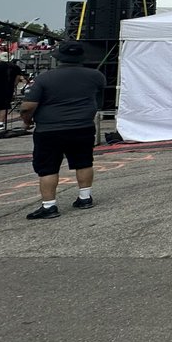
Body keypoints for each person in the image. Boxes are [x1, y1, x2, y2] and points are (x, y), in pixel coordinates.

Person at [19, 41, 106, 220]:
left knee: (48, 168)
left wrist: (26, 122)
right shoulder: (96, 76)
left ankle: (49, 206)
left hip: (50, 129)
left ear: (59, 58)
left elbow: (27, 106)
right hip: (82, 126)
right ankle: (85, 198)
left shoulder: (45, 78)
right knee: (84, 162)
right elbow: (99, 96)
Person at [0, 51, 25, 131]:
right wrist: (13, 86)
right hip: (8, 89)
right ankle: (0, 123)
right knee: (4, 106)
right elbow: (17, 79)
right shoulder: (15, 67)